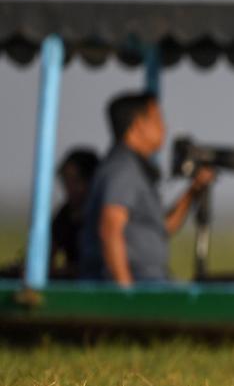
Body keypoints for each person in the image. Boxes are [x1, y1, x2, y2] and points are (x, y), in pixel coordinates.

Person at [79, 92, 214, 286]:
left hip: (150, 280)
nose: (164, 127)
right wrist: (125, 293)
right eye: (157, 119)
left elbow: (163, 227)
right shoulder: (122, 169)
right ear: (138, 125)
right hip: (136, 282)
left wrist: (192, 192)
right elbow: (110, 229)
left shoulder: (137, 169)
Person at [50, 147, 100, 279]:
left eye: (75, 181)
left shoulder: (104, 215)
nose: (69, 188)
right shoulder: (65, 214)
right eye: (65, 181)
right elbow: (47, 250)